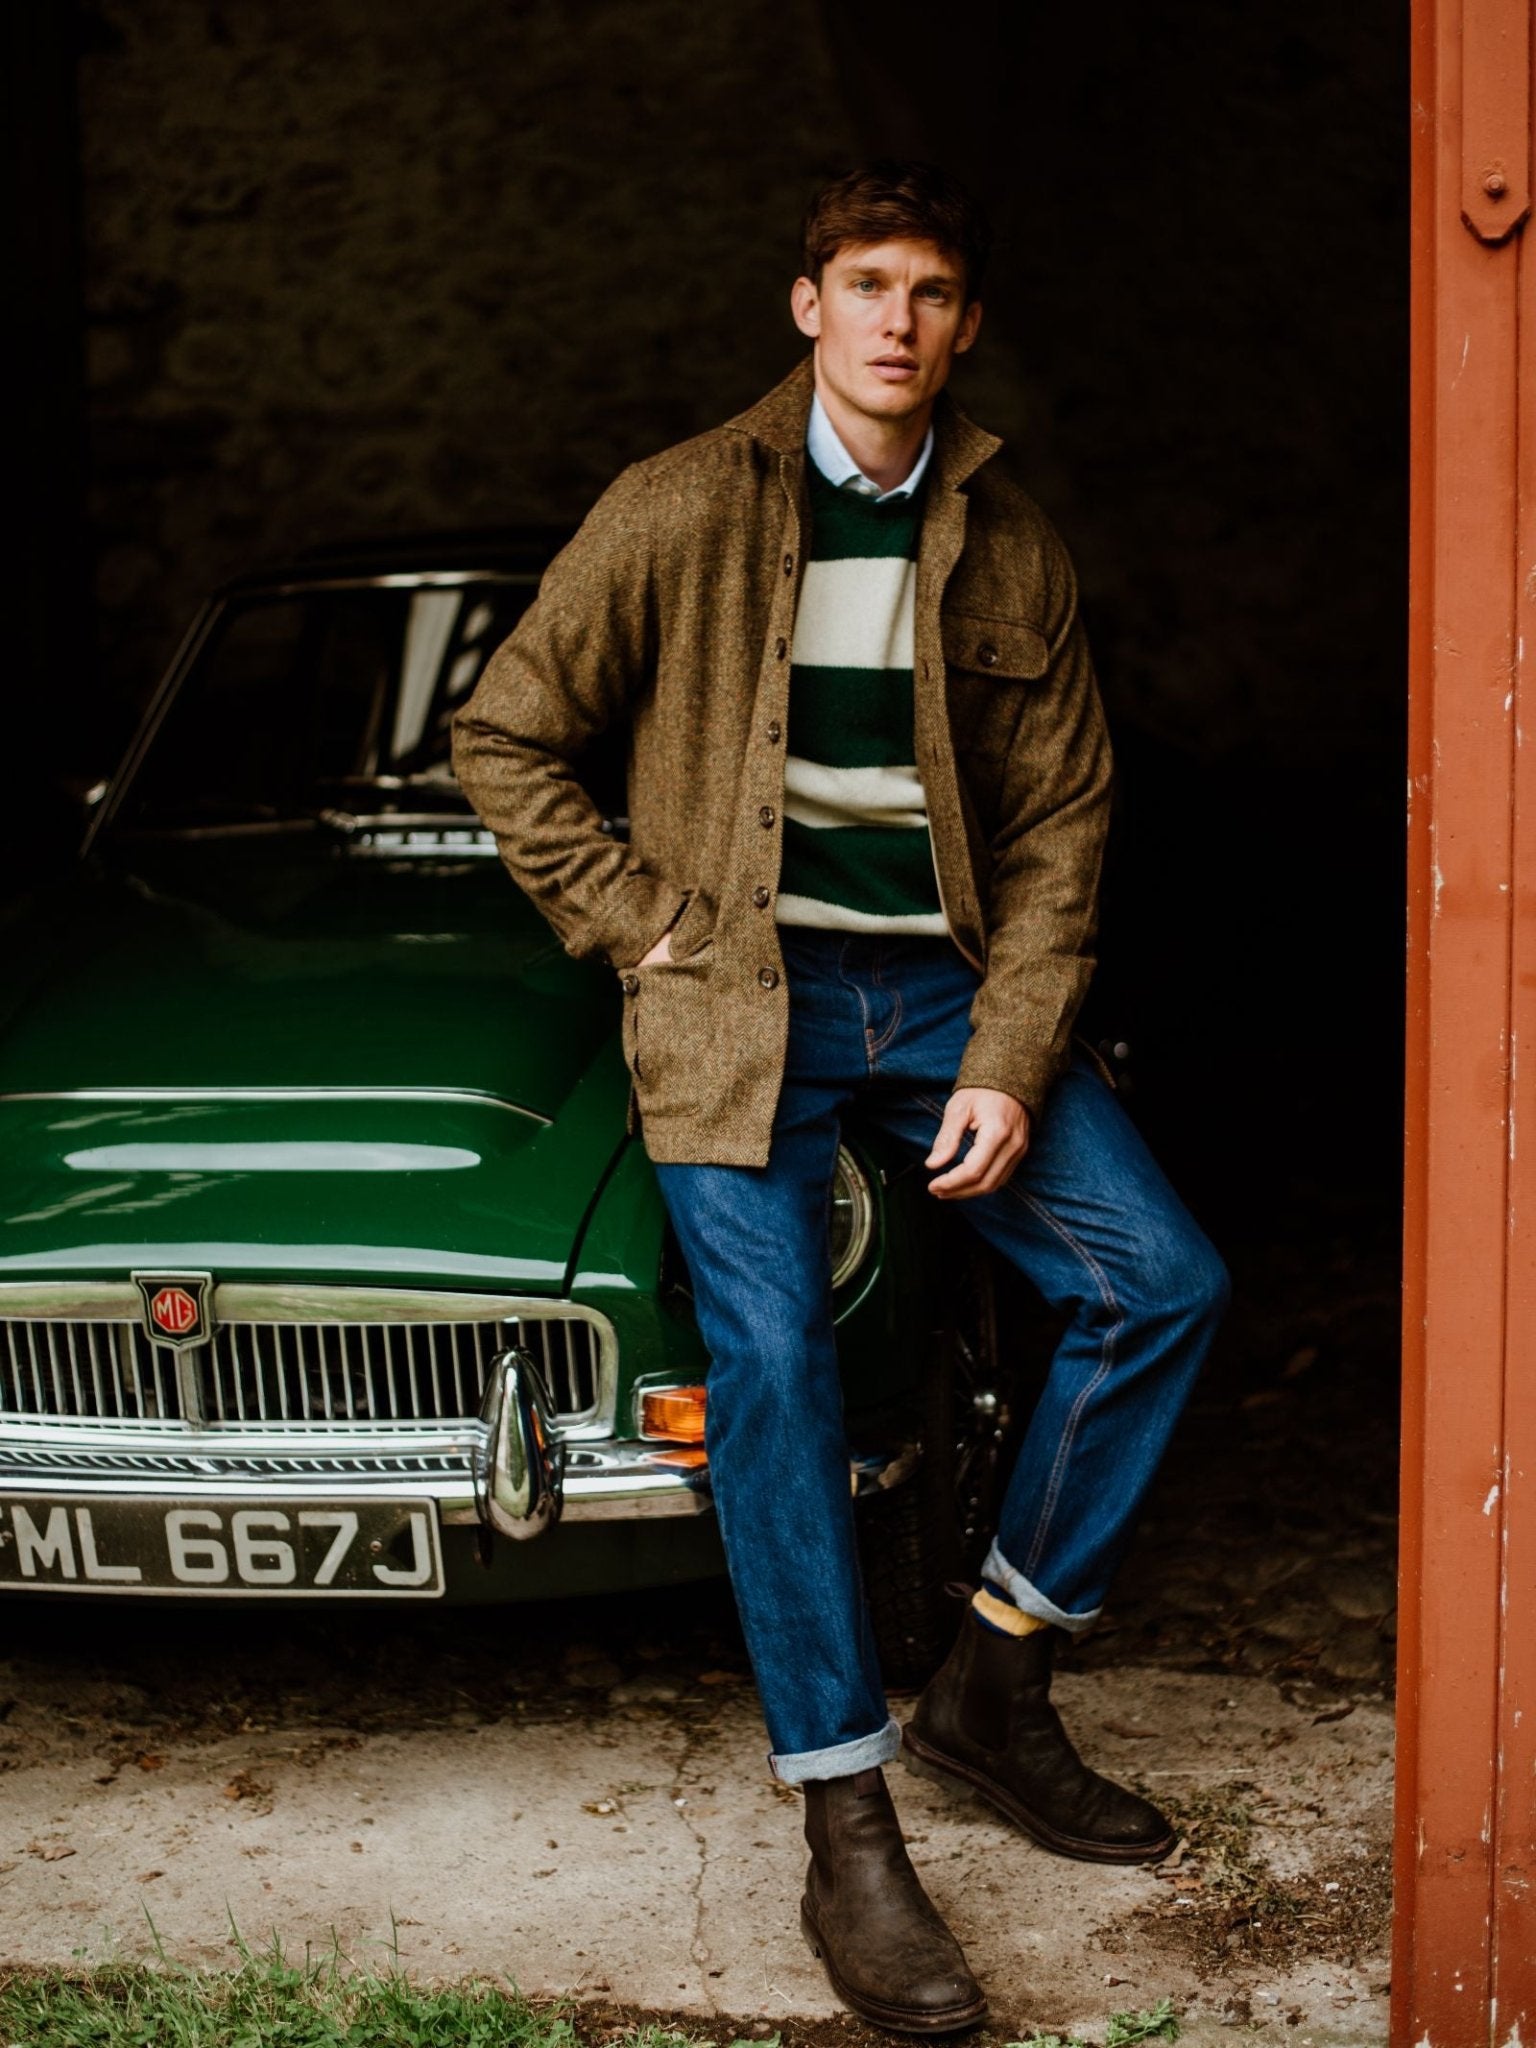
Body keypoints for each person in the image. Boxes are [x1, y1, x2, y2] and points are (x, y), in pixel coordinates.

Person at [454, 160, 1229, 2034]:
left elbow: (1062, 825)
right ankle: (846, 1818)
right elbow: (509, 729)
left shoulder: (1009, 534)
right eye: (866, 282)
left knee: (1163, 1282)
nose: (898, 317)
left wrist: (1011, 1049)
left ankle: (996, 1678)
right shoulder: (679, 507)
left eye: (935, 290)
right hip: (740, 1015)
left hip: (940, 1005)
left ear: (965, 326)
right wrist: (641, 929)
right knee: (782, 1370)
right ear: (806, 306)